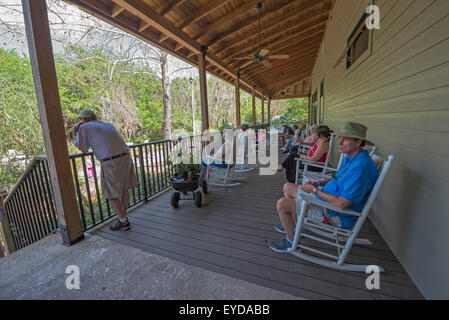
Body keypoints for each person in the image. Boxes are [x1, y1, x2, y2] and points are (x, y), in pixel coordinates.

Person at [268, 122, 378, 253]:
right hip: (324, 200)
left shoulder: (360, 168)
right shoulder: (352, 158)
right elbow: (337, 179)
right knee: (288, 187)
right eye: (340, 138)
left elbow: (341, 204)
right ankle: (295, 227)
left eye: (345, 139)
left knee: (282, 204)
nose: (339, 142)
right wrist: (318, 184)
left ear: (358, 142)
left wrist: (315, 191)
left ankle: (291, 241)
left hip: (335, 213)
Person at [74, 109, 138, 231]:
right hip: (125, 157)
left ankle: (123, 221)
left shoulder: (83, 127)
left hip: (111, 162)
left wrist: (76, 135)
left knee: (110, 194)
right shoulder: (107, 124)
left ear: (83, 120)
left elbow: (83, 149)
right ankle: (123, 218)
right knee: (124, 189)